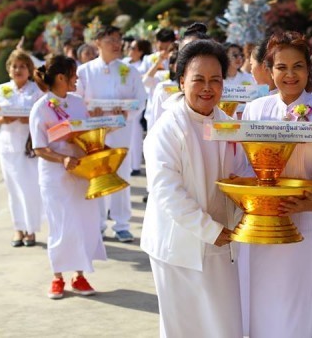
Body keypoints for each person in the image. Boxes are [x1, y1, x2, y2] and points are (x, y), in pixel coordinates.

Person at [240, 31, 312, 337]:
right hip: (266, 220)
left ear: (308, 70)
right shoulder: (256, 109)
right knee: (266, 296)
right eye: (281, 67)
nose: (289, 74)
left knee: (306, 298)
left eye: (297, 66)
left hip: (309, 221)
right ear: (270, 71)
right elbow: (247, 163)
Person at [141, 39, 243, 337]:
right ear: (182, 80)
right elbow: (166, 191)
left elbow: (242, 171)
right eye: (199, 79)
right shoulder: (168, 128)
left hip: (221, 240)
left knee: (223, 324)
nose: (207, 88)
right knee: (184, 327)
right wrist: (209, 229)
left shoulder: (226, 122)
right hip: (179, 244)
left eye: (216, 80)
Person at [30, 55, 106, 299]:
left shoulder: (76, 102)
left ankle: (79, 275)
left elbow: (84, 133)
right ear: (61, 77)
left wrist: (97, 146)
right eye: (74, 75)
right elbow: (39, 148)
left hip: (82, 172)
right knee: (61, 225)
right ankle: (57, 277)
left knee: (84, 224)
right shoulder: (40, 108)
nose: (77, 79)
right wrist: (62, 159)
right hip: (55, 177)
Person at [75, 26, 147, 243]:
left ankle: (122, 224)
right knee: (97, 175)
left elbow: (140, 100)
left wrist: (125, 113)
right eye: (111, 40)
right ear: (98, 43)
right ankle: (97, 225)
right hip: (94, 132)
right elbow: (76, 99)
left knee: (121, 174)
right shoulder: (84, 71)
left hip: (121, 130)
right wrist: (89, 111)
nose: (117, 44)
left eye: (119, 39)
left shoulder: (129, 71)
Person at [0, 50, 43, 247]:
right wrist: (2, 119)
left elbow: (45, 116)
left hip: (30, 148)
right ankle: (18, 229)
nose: (18, 70)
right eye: (14, 66)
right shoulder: (2, 90)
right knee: (13, 189)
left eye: (22, 66)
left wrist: (29, 119)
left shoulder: (36, 91)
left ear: (29, 70)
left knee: (30, 190)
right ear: (9, 70)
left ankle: (31, 230)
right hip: (7, 147)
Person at [123, 38, 152, 175]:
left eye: (133, 48)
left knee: (135, 135)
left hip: (137, 104)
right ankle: (126, 164)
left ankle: (135, 166)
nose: (130, 50)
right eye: (129, 47)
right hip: (122, 104)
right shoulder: (123, 63)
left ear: (140, 52)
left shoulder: (143, 65)